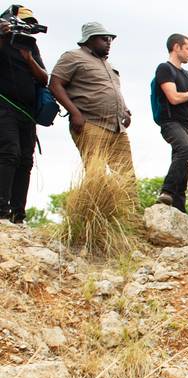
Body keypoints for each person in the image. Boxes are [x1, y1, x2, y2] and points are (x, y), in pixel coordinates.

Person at [49, 22, 133, 179]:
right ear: (90, 39)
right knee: (97, 175)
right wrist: (74, 113)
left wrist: (125, 110)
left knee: (127, 176)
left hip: (117, 129)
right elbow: (55, 85)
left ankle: (129, 205)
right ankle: (94, 205)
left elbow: (113, 90)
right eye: (104, 38)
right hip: (91, 124)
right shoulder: (73, 56)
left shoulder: (108, 64)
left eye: (110, 39)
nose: (109, 42)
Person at [0, 5, 47, 224]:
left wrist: (29, 59)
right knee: (10, 153)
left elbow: (44, 78)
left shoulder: (31, 44)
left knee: (26, 160)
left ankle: (18, 212)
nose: (26, 26)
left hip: (27, 111)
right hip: (4, 106)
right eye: (23, 21)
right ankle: (2, 208)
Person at [155, 33, 188, 212]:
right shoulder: (164, 69)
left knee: (185, 160)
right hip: (170, 122)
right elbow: (174, 98)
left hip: (187, 124)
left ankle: (179, 205)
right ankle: (167, 191)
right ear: (176, 47)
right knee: (186, 149)